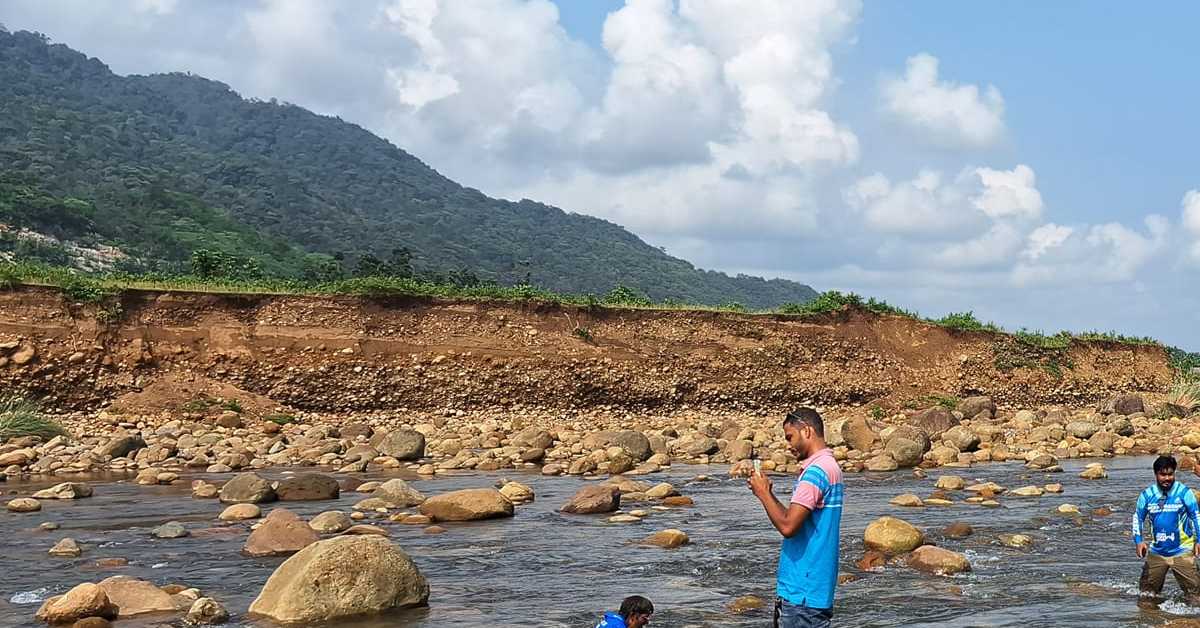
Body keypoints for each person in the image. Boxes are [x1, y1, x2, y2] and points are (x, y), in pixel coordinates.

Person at [748, 407, 842, 628]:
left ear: (807, 431)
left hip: (802, 593)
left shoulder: (815, 473)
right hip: (816, 589)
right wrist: (769, 493)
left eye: (790, 437)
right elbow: (795, 519)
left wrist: (763, 494)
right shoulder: (831, 467)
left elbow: (788, 526)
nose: (788, 445)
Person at [1133, 454, 1200, 605]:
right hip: (1157, 553)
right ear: (1156, 474)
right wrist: (1138, 541)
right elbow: (1138, 518)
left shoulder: (1184, 493)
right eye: (1163, 474)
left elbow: (1196, 517)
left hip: (1183, 552)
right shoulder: (1147, 495)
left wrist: (1199, 540)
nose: (1167, 478)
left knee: (1195, 597)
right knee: (1146, 597)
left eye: (1170, 474)